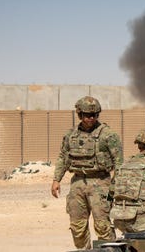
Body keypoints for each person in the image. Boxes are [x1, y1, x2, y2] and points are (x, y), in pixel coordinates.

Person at [50, 96, 123, 250]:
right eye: (87, 115)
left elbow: (119, 162)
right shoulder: (70, 135)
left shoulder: (108, 135)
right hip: (77, 183)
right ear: (79, 114)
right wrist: (56, 180)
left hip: (101, 182)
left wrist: (116, 185)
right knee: (77, 226)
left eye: (94, 115)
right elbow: (63, 157)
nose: (91, 118)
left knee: (103, 225)